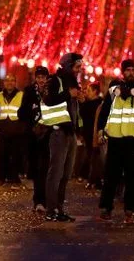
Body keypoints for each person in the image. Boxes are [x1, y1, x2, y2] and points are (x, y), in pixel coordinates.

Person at [97, 60, 134, 224]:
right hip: (114, 139)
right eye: (127, 70)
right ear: (122, 73)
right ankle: (106, 208)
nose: (130, 73)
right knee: (110, 177)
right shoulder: (114, 91)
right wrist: (101, 130)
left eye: (132, 70)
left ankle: (130, 211)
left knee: (132, 178)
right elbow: (104, 112)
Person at [42, 52, 83, 222]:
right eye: (77, 67)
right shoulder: (55, 81)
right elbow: (48, 100)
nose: (79, 70)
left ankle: (59, 209)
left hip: (70, 133)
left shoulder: (72, 83)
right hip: (58, 132)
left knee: (66, 175)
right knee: (56, 173)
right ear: (68, 66)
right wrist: (69, 94)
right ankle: (50, 210)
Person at [18, 66, 51, 212]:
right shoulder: (29, 91)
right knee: (38, 169)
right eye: (39, 77)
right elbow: (22, 112)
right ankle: (39, 200)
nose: (41, 80)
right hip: (33, 135)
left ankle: (45, 200)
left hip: (48, 134)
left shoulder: (52, 91)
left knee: (45, 168)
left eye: (44, 77)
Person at [0, 75, 27, 186]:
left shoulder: (21, 95)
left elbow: (25, 113)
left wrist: (21, 128)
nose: (10, 83)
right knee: (2, 155)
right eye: (8, 81)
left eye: (12, 80)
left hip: (16, 130)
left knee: (16, 155)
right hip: (3, 130)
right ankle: (2, 178)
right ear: (4, 83)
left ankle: (14, 177)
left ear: (15, 82)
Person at [78, 83, 102, 188]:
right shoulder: (88, 103)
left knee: (94, 156)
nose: (87, 93)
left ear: (95, 91)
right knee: (92, 156)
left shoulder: (98, 103)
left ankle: (93, 179)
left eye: (89, 90)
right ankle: (93, 179)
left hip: (95, 133)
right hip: (88, 133)